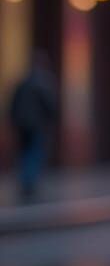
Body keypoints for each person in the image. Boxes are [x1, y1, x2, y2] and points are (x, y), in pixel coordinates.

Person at [9, 53, 58, 201]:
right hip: (36, 125)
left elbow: (13, 104)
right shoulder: (43, 83)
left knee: (24, 152)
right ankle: (29, 182)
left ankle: (25, 181)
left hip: (22, 124)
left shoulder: (22, 82)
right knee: (34, 152)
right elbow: (49, 105)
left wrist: (14, 120)